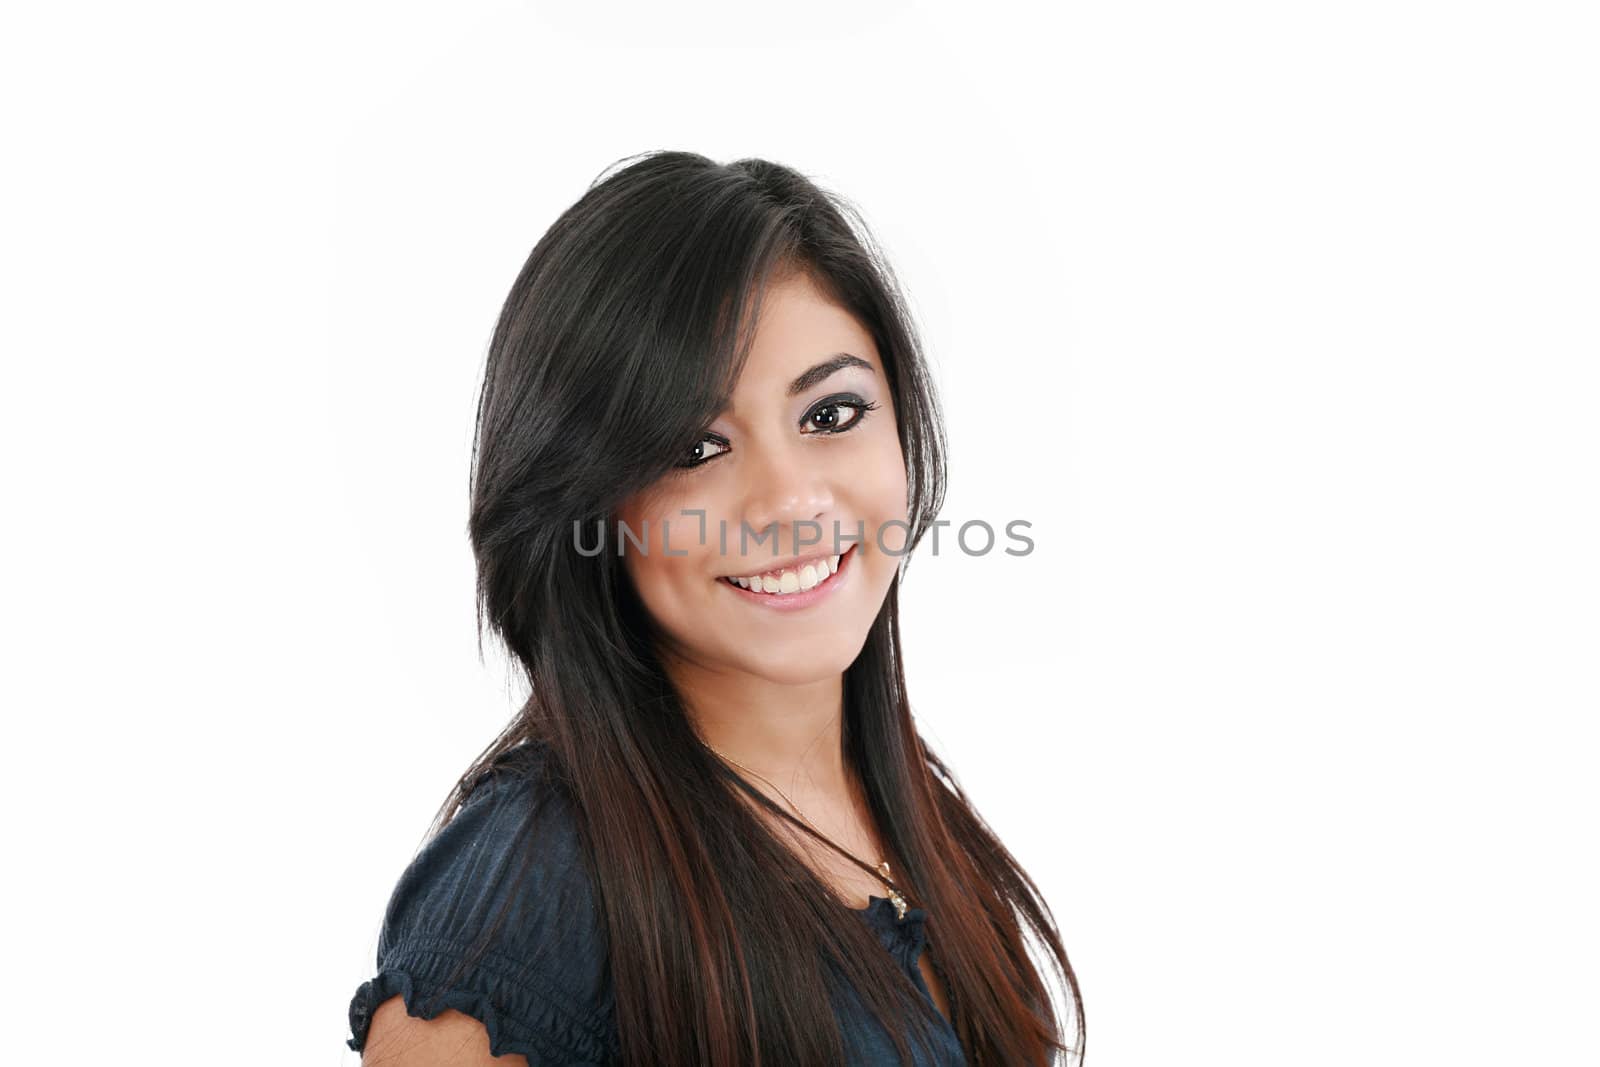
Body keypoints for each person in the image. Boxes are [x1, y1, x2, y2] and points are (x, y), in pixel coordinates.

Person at [345, 150, 1084, 1066]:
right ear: (586, 501)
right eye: (696, 446)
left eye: (830, 414)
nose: (789, 501)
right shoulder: (531, 895)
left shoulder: (905, 807)